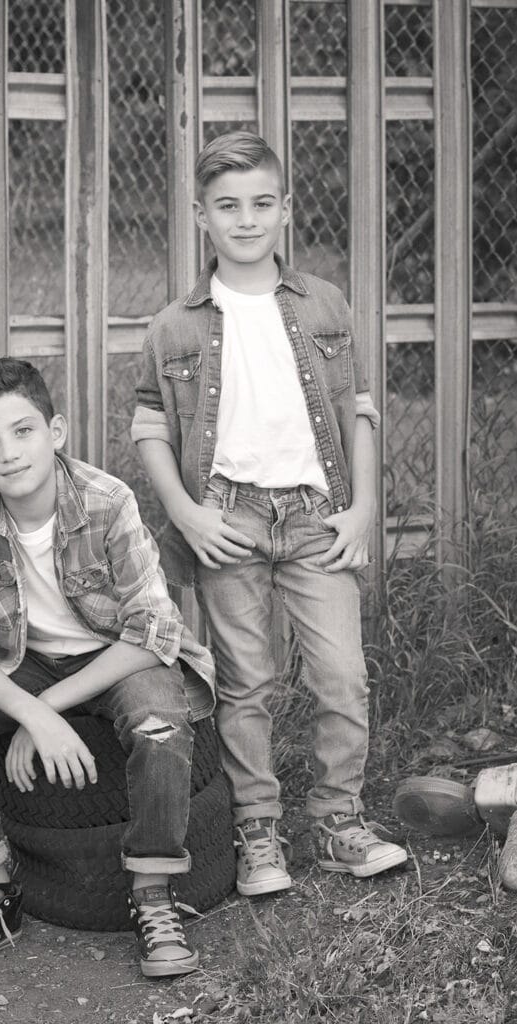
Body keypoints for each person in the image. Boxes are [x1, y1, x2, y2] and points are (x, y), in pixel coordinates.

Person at [131, 130, 407, 897]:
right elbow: (149, 424)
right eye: (227, 206)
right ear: (200, 216)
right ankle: (258, 833)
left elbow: (358, 408)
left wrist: (361, 511)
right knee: (245, 683)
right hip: (229, 521)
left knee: (342, 678)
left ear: (284, 210)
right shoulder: (173, 325)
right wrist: (186, 514)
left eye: (260, 203)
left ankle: (337, 823)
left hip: (318, 518)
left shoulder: (322, 303)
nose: (244, 219)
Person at [0, 357, 215, 977]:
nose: (9, 454)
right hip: (19, 661)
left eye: (24, 431)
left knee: (158, 721)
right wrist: (26, 708)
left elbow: (153, 632)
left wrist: (45, 711)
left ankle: (153, 892)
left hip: (114, 659)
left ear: (57, 432)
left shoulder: (106, 500)